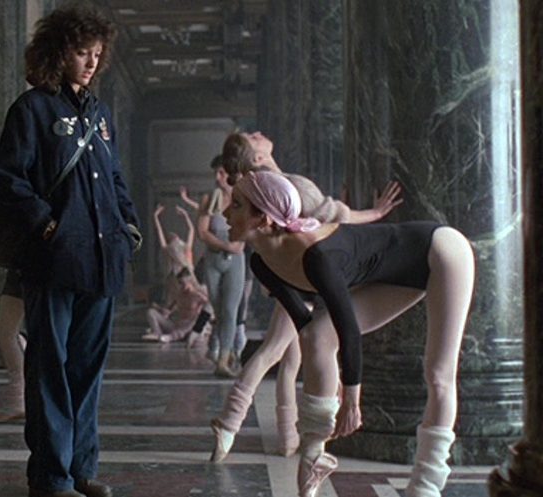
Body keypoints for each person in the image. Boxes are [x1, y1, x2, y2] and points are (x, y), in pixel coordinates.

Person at [226, 171, 473, 497]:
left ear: (264, 219)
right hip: (397, 272)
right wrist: (331, 388)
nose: (225, 212)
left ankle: (425, 488)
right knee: (316, 336)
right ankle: (313, 456)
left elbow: (349, 331)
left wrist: (351, 400)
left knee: (439, 374)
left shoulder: (317, 257)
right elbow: (304, 324)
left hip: (441, 251)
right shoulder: (262, 263)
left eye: (236, 205)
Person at [0, 5, 140, 497]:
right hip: (52, 261)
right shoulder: (31, 110)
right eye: (81, 52)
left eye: (97, 53)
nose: (92, 62)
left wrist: (129, 228)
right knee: (49, 370)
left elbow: (114, 178)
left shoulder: (100, 114)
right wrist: (48, 225)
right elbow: (10, 181)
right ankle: (51, 476)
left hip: (102, 261)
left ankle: (81, 469)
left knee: (87, 372)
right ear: (58, 52)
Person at [208, 130, 404, 461]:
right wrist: (376, 214)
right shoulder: (287, 185)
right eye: (253, 136)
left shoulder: (268, 184)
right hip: (302, 275)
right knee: (276, 353)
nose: (259, 133)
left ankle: (283, 436)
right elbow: (335, 215)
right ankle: (232, 423)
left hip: (291, 273)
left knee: (289, 358)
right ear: (258, 156)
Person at [191, 155, 247, 377]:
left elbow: (249, 226)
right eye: (216, 173)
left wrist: (239, 244)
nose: (218, 177)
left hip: (235, 261)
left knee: (230, 310)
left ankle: (223, 360)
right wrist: (226, 245)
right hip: (214, 260)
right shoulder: (209, 199)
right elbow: (202, 232)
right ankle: (225, 350)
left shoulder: (241, 199)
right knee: (219, 310)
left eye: (222, 173)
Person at [142, 268, 208, 343]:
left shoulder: (198, 296)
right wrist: (158, 308)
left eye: (183, 283)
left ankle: (173, 336)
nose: (181, 286)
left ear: (190, 282)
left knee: (201, 318)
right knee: (151, 312)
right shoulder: (178, 295)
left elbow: (209, 310)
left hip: (190, 327)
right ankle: (157, 334)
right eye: (179, 283)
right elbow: (168, 311)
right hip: (177, 326)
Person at [0, 269, 27, 398]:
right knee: (7, 333)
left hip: (24, 270)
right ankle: (20, 387)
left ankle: (19, 388)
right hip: (22, 272)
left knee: (7, 333)